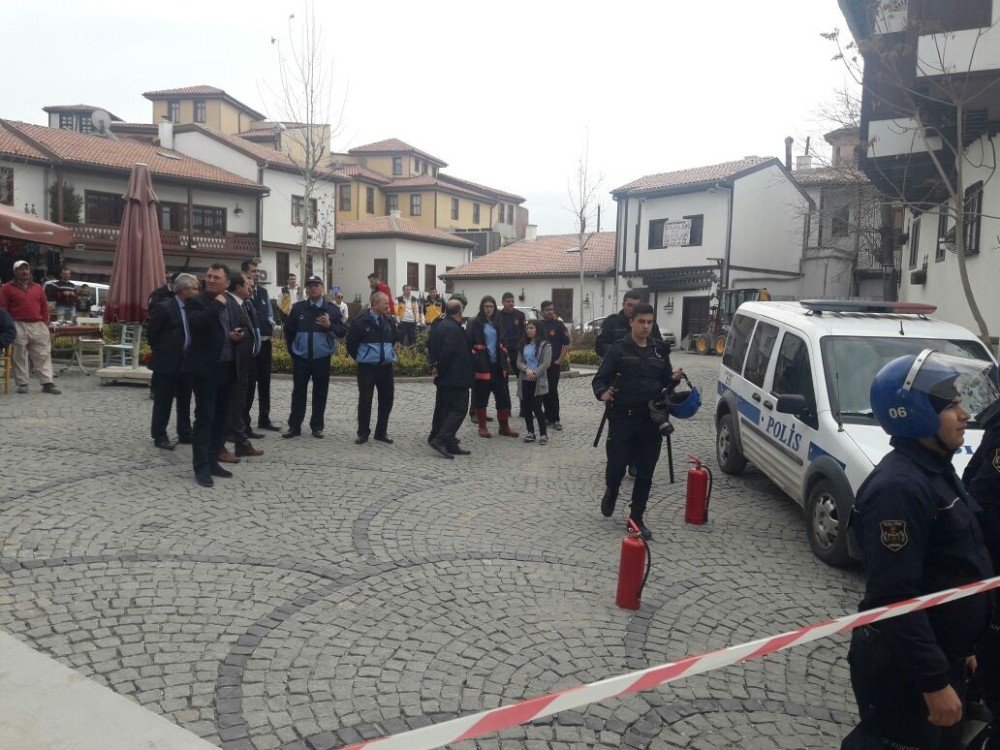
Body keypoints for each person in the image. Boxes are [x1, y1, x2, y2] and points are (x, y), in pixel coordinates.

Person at [842, 351, 996, 749]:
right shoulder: (899, 489)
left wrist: (963, 651)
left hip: (943, 654)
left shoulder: (936, 470)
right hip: (903, 670)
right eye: (952, 405)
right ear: (914, 413)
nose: (965, 414)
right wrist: (933, 681)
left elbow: (955, 567)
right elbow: (894, 598)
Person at [592, 303, 679, 540]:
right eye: (641, 321)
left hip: (651, 418)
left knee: (645, 471)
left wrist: (673, 380)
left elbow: (665, 382)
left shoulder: (660, 351)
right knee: (617, 466)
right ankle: (612, 490)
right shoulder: (618, 350)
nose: (646, 326)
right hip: (623, 418)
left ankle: (636, 517)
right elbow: (600, 379)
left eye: (650, 322)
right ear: (632, 322)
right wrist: (603, 393)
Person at [180, 263, 232, 487]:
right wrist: (217, 307)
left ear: (226, 283)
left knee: (221, 418)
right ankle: (201, 467)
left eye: (216, 277)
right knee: (205, 418)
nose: (211, 280)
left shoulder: (228, 302)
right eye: (209, 276)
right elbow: (197, 324)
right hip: (204, 370)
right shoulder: (196, 301)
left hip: (226, 367)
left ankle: (213, 461)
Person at [283, 275, 345, 439]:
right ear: (306, 289)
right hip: (301, 359)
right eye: (310, 286)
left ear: (322, 287)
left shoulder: (331, 309)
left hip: (322, 359)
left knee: (320, 393)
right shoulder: (298, 308)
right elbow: (288, 331)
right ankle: (294, 426)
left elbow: (342, 331)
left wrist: (329, 325)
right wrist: (293, 350)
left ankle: (317, 426)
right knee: (298, 392)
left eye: (316, 285)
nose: (313, 288)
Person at [146, 273, 197, 450]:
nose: (197, 292)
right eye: (194, 288)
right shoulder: (164, 307)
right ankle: (159, 435)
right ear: (183, 290)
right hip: (166, 362)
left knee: (184, 399)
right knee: (163, 401)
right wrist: (164, 351)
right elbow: (152, 334)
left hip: (187, 362)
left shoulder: (192, 308)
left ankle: (185, 432)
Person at [0, 260, 59, 395]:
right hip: (17, 324)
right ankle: (22, 383)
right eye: (21, 269)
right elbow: (3, 309)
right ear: (15, 272)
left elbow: (44, 307)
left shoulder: (37, 287)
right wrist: (7, 325)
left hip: (38, 325)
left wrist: (45, 323)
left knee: (43, 354)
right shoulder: (7, 288)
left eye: (26, 269)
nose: (25, 271)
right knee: (19, 355)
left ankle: (47, 383)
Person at [346, 291, 397, 444]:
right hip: (367, 368)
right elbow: (351, 345)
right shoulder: (360, 321)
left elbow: (393, 339)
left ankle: (381, 432)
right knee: (365, 400)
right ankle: (363, 433)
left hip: (386, 367)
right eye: (385, 303)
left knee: (387, 399)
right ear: (375, 304)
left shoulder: (389, 321)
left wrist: (385, 354)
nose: (388, 306)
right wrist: (364, 356)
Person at [427, 298, 473, 459]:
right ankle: (440, 439)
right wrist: (440, 369)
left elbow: (431, 346)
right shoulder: (453, 328)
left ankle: (451, 443)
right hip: (455, 376)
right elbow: (448, 352)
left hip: (446, 376)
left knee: (446, 409)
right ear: (460, 312)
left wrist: (435, 367)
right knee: (459, 409)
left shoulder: (440, 324)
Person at [467, 295, 519, 439]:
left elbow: (503, 339)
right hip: (483, 365)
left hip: (498, 365)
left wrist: (504, 349)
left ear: (494, 308)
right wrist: (476, 359)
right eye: (486, 306)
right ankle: (482, 427)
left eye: (491, 306)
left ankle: (504, 427)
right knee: (481, 397)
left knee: (502, 397)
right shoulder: (475, 322)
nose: (489, 309)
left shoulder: (498, 321)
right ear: (482, 308)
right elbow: (469, 344)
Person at [242, 259, 279, 432]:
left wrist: (270, 324)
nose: (257, 273)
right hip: (249, 347)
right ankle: (245, 421)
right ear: (245, 273)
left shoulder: (263, 292)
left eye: (258, 271)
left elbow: (269, 314)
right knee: (249, 385)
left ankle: (264, 418)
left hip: (265, 343)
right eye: (254, 271)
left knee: (265, 382)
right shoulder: (243, 294)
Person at [596, 290, 663, 357]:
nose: (632, 309)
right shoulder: (611, 322)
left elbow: (660, 346)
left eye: (636, 306)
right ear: (623, 305)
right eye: (629, 305)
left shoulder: (649, 324)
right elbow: (600, 346)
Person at [517, 320, 552, 445]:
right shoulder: (523, 345)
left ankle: (543, 434)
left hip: (538, 381)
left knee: (537, 408)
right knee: (526, 408)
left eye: (531, 328)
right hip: (525, 380)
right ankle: (530, 432)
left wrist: (535, 373)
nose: (528, 330)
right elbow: (519, 362)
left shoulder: (545, 345)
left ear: (537, 329)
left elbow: (546, 363)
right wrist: (526, 370)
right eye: (527, 328)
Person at [539, 300, 570, 430]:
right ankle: (547, 417)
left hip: (553, 364)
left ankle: (556, 419)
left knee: (553, 390)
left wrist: (560, 360)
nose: (550, 312)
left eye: (551, 309)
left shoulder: (559, 325)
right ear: (542, 312)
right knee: (544, 390)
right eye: (547, 310)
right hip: (541, 365)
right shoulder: (538, 325)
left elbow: (566, 344)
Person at [498, 292, 527, 415]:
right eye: (508, 301)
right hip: (503, 352)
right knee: (503, 382)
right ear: (503, 302)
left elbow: (524, 334)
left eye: (512, 301)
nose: (510, 303)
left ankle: (524, 409)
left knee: (522, 380)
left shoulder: (520, 315)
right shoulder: (498, 316)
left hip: (517, 352)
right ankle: (506, 409)